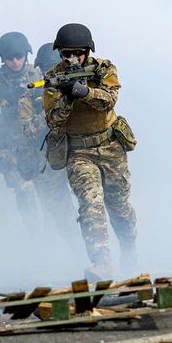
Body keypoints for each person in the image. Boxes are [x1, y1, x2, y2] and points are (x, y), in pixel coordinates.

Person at [43, 23, 137, 280]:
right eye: (66, 54)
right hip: (78, 152)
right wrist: (67, 98)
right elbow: (53, 121)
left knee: (119, 206)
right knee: (90, 203)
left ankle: (128, 248)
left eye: (77, 53)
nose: (72, 59)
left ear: (87, 51)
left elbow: (108, 101)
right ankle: (102, 261)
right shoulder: (54, 78)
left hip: (110, 147)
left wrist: (84, 92)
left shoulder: (104, 68)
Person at [0, 31, 42, 232]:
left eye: (19, 56)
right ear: (2, 58)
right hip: (7, 145)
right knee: (25, 189)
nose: (15, 61)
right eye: (10, 57)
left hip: (35, 142)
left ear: (26, 54)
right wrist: (4, 109)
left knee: (50, 189)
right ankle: (36, 236)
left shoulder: (37, 77)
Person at [18, 42, 78, 242]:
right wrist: (49, 112)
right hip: (51, 160)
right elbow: (28, 131)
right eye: (48, 69)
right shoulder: (32, 96)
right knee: (59, 213)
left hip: (81, 154)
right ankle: (70, 252)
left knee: (92, 204)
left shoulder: (79, 86)